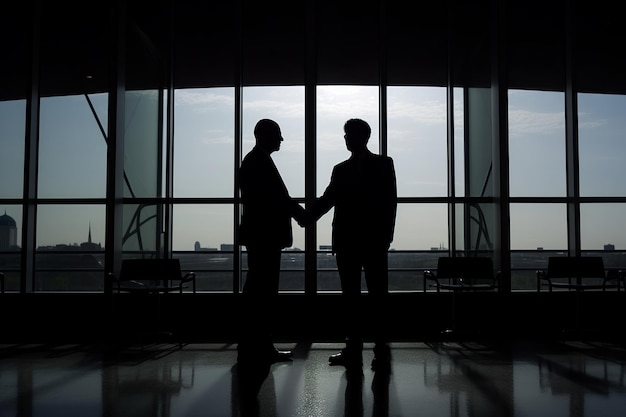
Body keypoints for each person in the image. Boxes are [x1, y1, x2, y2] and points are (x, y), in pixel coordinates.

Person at [311, 118, 397, 370]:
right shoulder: (346, 168)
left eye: (348, 134)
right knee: (355, 298)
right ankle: (368, 350)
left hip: (368, 242)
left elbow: (390, 202)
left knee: (373, 298)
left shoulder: (381, 164)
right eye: (345, 134)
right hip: (354, 243)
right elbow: (329, 198)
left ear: (363, 137)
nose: (345, 138)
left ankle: (372, 350)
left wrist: (305, 217)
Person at [237, 118, 308, 365]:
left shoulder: (253, 161)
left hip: (260, 235)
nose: (281, 139)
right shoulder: (260, 162)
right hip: (265, 236)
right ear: (265, 136)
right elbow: (279, 198)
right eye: (278, 134)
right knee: (264, 293)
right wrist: (303, 216)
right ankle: (261, 345)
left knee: (257, 290)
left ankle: (252, 345)